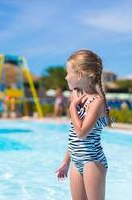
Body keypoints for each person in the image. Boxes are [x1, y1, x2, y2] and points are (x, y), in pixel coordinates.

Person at [55, 49, 113, 200]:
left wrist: (72, 106)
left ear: (79, 74)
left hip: (92, 161)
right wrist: (65, 162)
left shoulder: (97, 101)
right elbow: (74, 134)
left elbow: (82, 133)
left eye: (68, 72)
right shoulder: (79, 96)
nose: (66, 76)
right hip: (76, 161)